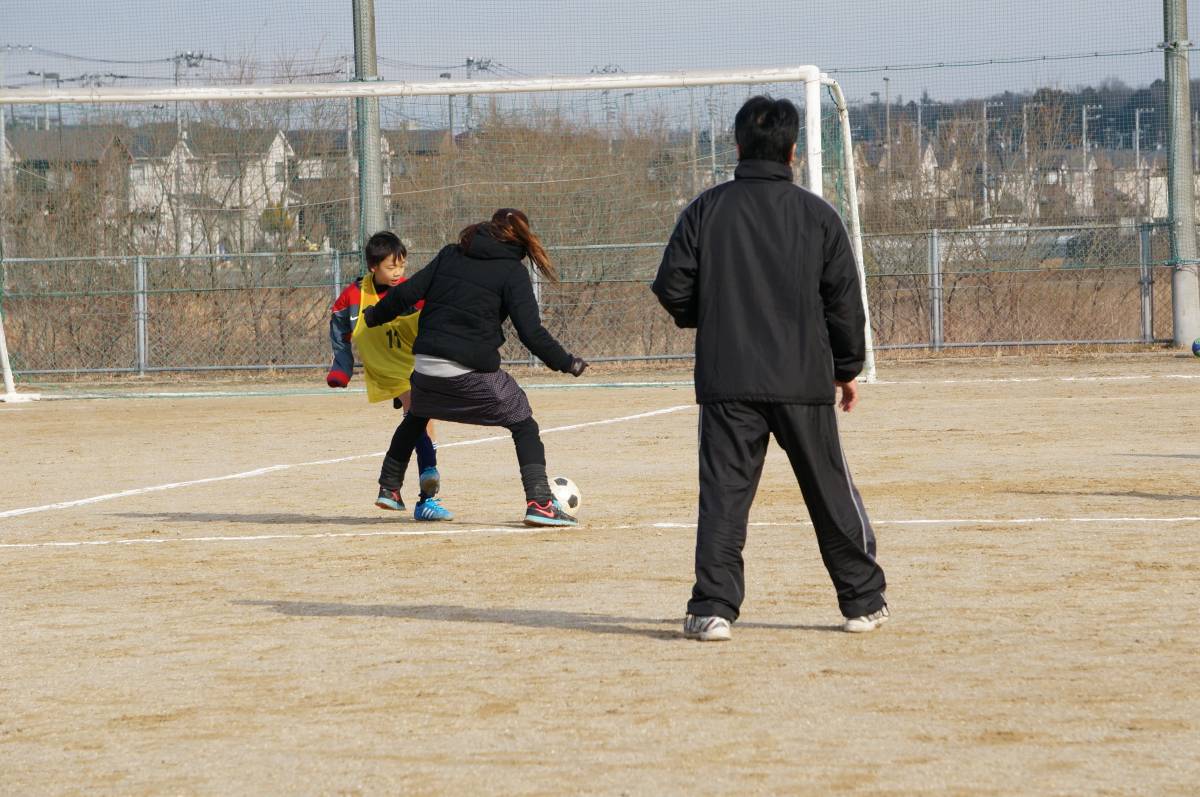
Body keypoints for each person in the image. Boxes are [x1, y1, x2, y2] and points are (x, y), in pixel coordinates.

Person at [651, 95, 888, 641]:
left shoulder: (706, 209)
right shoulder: (818, 215)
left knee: (724, 496)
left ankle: (713, 609)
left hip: (728, 379)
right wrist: (846, 367)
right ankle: (862, 602)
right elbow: (844, 303)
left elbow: (672, 286)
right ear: (793, 151)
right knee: (829, 490)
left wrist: (711, 315)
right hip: (803, 378)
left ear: (737, 146)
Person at [363, 208, 588, 526]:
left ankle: (389, 487)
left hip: (425, 366)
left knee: (417, 414)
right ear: (520, 238)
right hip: (468, 370)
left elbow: (406, 293)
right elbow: (531, 332)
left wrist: (374, 315)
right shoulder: (512, 271)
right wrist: (566, 362)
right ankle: (540, 503)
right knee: (523, 423)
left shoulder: (450, 254)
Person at [327, 230, 454, 521]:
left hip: (414, 362)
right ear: (373, 266)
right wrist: (342, 368)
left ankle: (406, 495)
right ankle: (425, 484)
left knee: (424, 421)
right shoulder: (354, 295)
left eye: (402, 265)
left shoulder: (410, 291)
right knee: (418, 409)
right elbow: (338, 328)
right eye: (391, 267)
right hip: (385, 368)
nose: (398, 272)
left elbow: (435, 317)